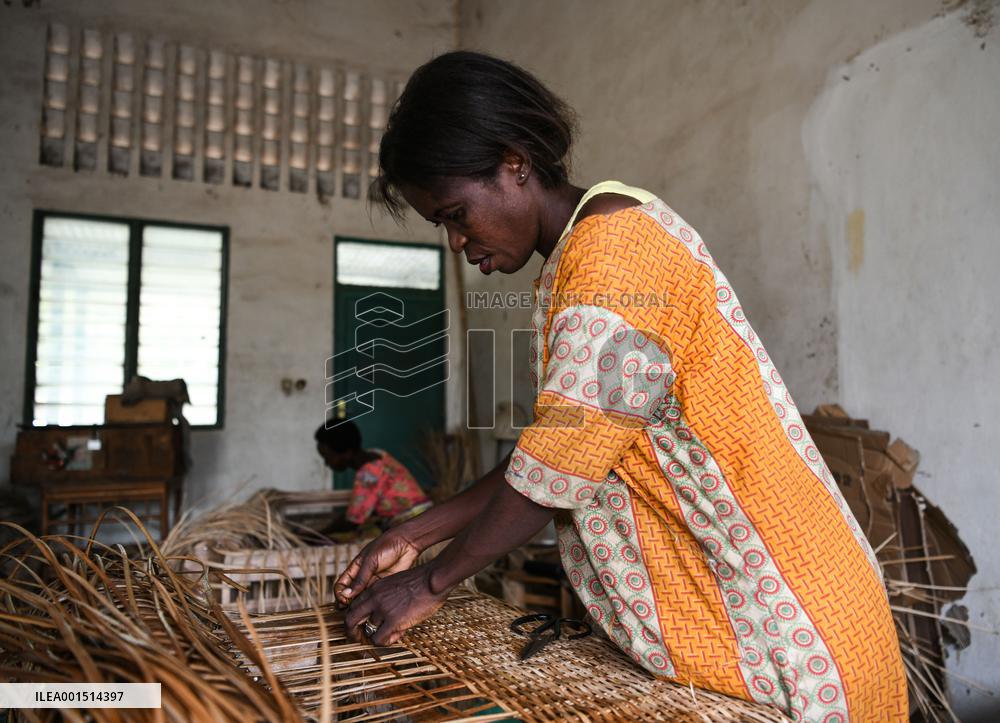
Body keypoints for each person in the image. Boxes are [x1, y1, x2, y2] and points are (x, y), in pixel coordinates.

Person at [334, 51, 907, 721]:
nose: (457, 242)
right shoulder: (586, 251)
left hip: (787, 627)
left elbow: (555, 470)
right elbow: (558, 450)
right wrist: (416, 532)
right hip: (758, 615)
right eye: (444, 225)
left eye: (458, 214)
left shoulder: (614, 254)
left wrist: (429, 582)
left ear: (515, 163)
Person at [315, 420, 431, 528]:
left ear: (347, 453)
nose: (326, 463)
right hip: (424, 515)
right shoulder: (377, 453)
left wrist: (318, 533)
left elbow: (353, 520)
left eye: (327, 457)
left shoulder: (369, 473)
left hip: (414, 523)